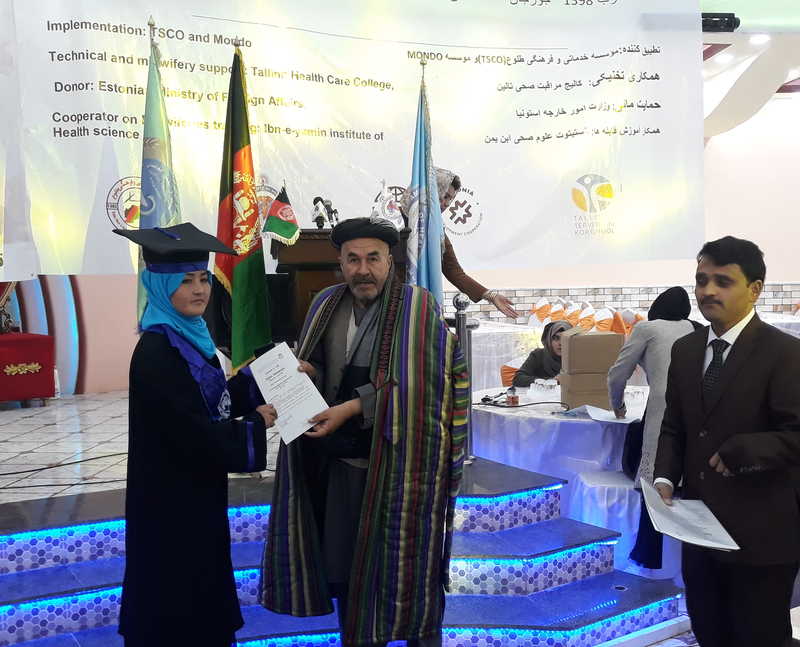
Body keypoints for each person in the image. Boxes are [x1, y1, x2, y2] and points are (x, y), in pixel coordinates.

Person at [259, 216, 469, 647]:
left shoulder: (418, 307)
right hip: (341, 467)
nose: (363, 269)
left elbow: (425, 387)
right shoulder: (325, 303)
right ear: (340, 263)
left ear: (390, 262)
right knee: (348, 571)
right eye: (352, 259)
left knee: (409, 570)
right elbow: (323, 370)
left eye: (373, 258)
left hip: (401, 469)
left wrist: (353, 407)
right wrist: (308, 374)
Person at [113, 223, 278, 647]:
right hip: (170, 502)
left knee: (199, 585)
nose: (200, 289)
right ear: (161, 284)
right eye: (186, 280)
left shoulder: (188, 337)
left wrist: (269, 379)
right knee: (177, 599)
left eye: (203, 278)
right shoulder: (157, 352)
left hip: (193, 493)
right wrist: (254, 425)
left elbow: (211, 400)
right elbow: (193, 431)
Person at [653, 236, 800, 647]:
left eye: (723, 281)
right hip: (700, 531)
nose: (707, 291)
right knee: (709, 632)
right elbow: (675, 426)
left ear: (754, 289)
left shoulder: (785, 353)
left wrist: (748, 450)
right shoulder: (685, 349)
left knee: (758, 637)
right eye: (702, 280)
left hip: (762, 534)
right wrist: (664, 477)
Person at [606, 286, 700, 569]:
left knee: (655, 481)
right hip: (698, 413)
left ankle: (649, 560)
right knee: (688, 481)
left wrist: (618, 403)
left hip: (662, 409)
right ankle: (688, 564)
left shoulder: (646, 329)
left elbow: (617, 374)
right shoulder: (697, 329)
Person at [401, 167, 519, 318]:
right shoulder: (393, 221)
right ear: (428, 192)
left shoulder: (436, 232)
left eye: (450, 198)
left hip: (419, 308)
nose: (446, 203)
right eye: (444, 195)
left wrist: (491, 296)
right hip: (390, 307)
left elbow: (454, 271)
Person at [512, 320, 573, 386]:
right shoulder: (538, 355)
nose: (561, 343)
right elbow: (518, 379)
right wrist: (551, 381)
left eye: (565, 338)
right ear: (548, 340)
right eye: (556, 338)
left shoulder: (577, 357)